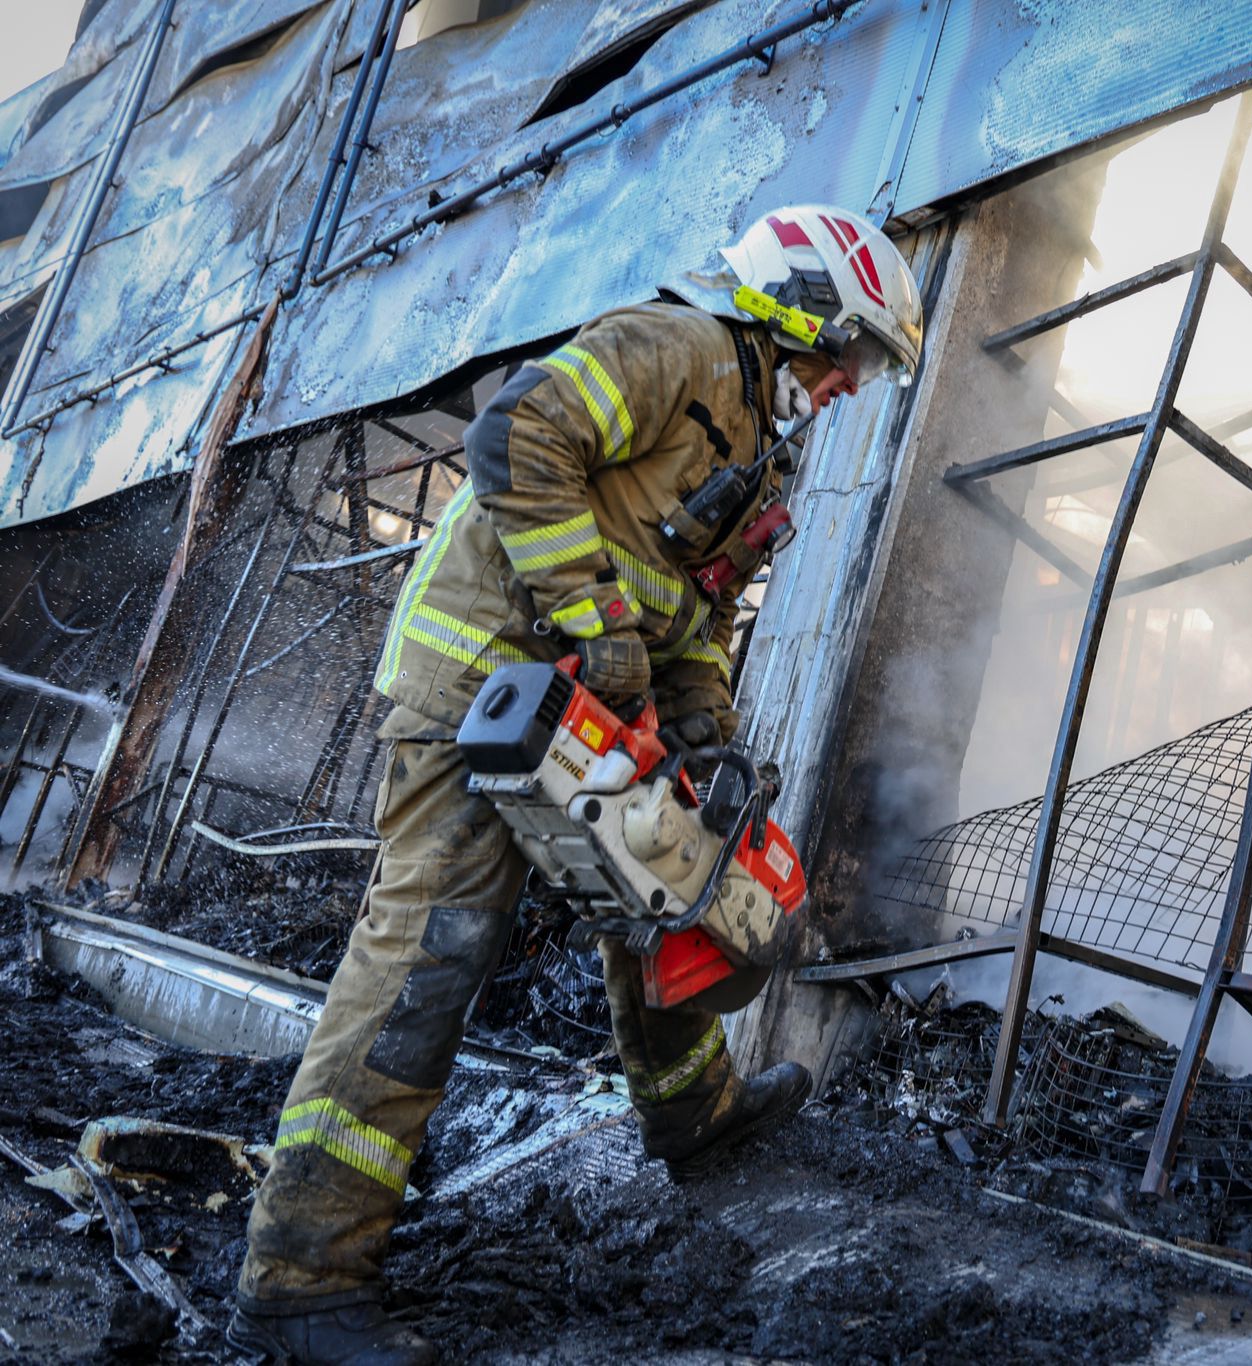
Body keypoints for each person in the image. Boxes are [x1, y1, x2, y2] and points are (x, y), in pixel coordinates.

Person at [228, 205, 924, 1365]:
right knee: (429, 952)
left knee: (668, 890)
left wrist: (705, 733)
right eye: (847, 355)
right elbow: (515, 440)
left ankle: (689, 1112)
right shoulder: (680, 348)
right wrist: (596, 620)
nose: (846, 385)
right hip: (481, 696)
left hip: (591, 713)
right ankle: (301, 1273)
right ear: (802, 307)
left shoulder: (758, 441)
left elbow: (695, 616)